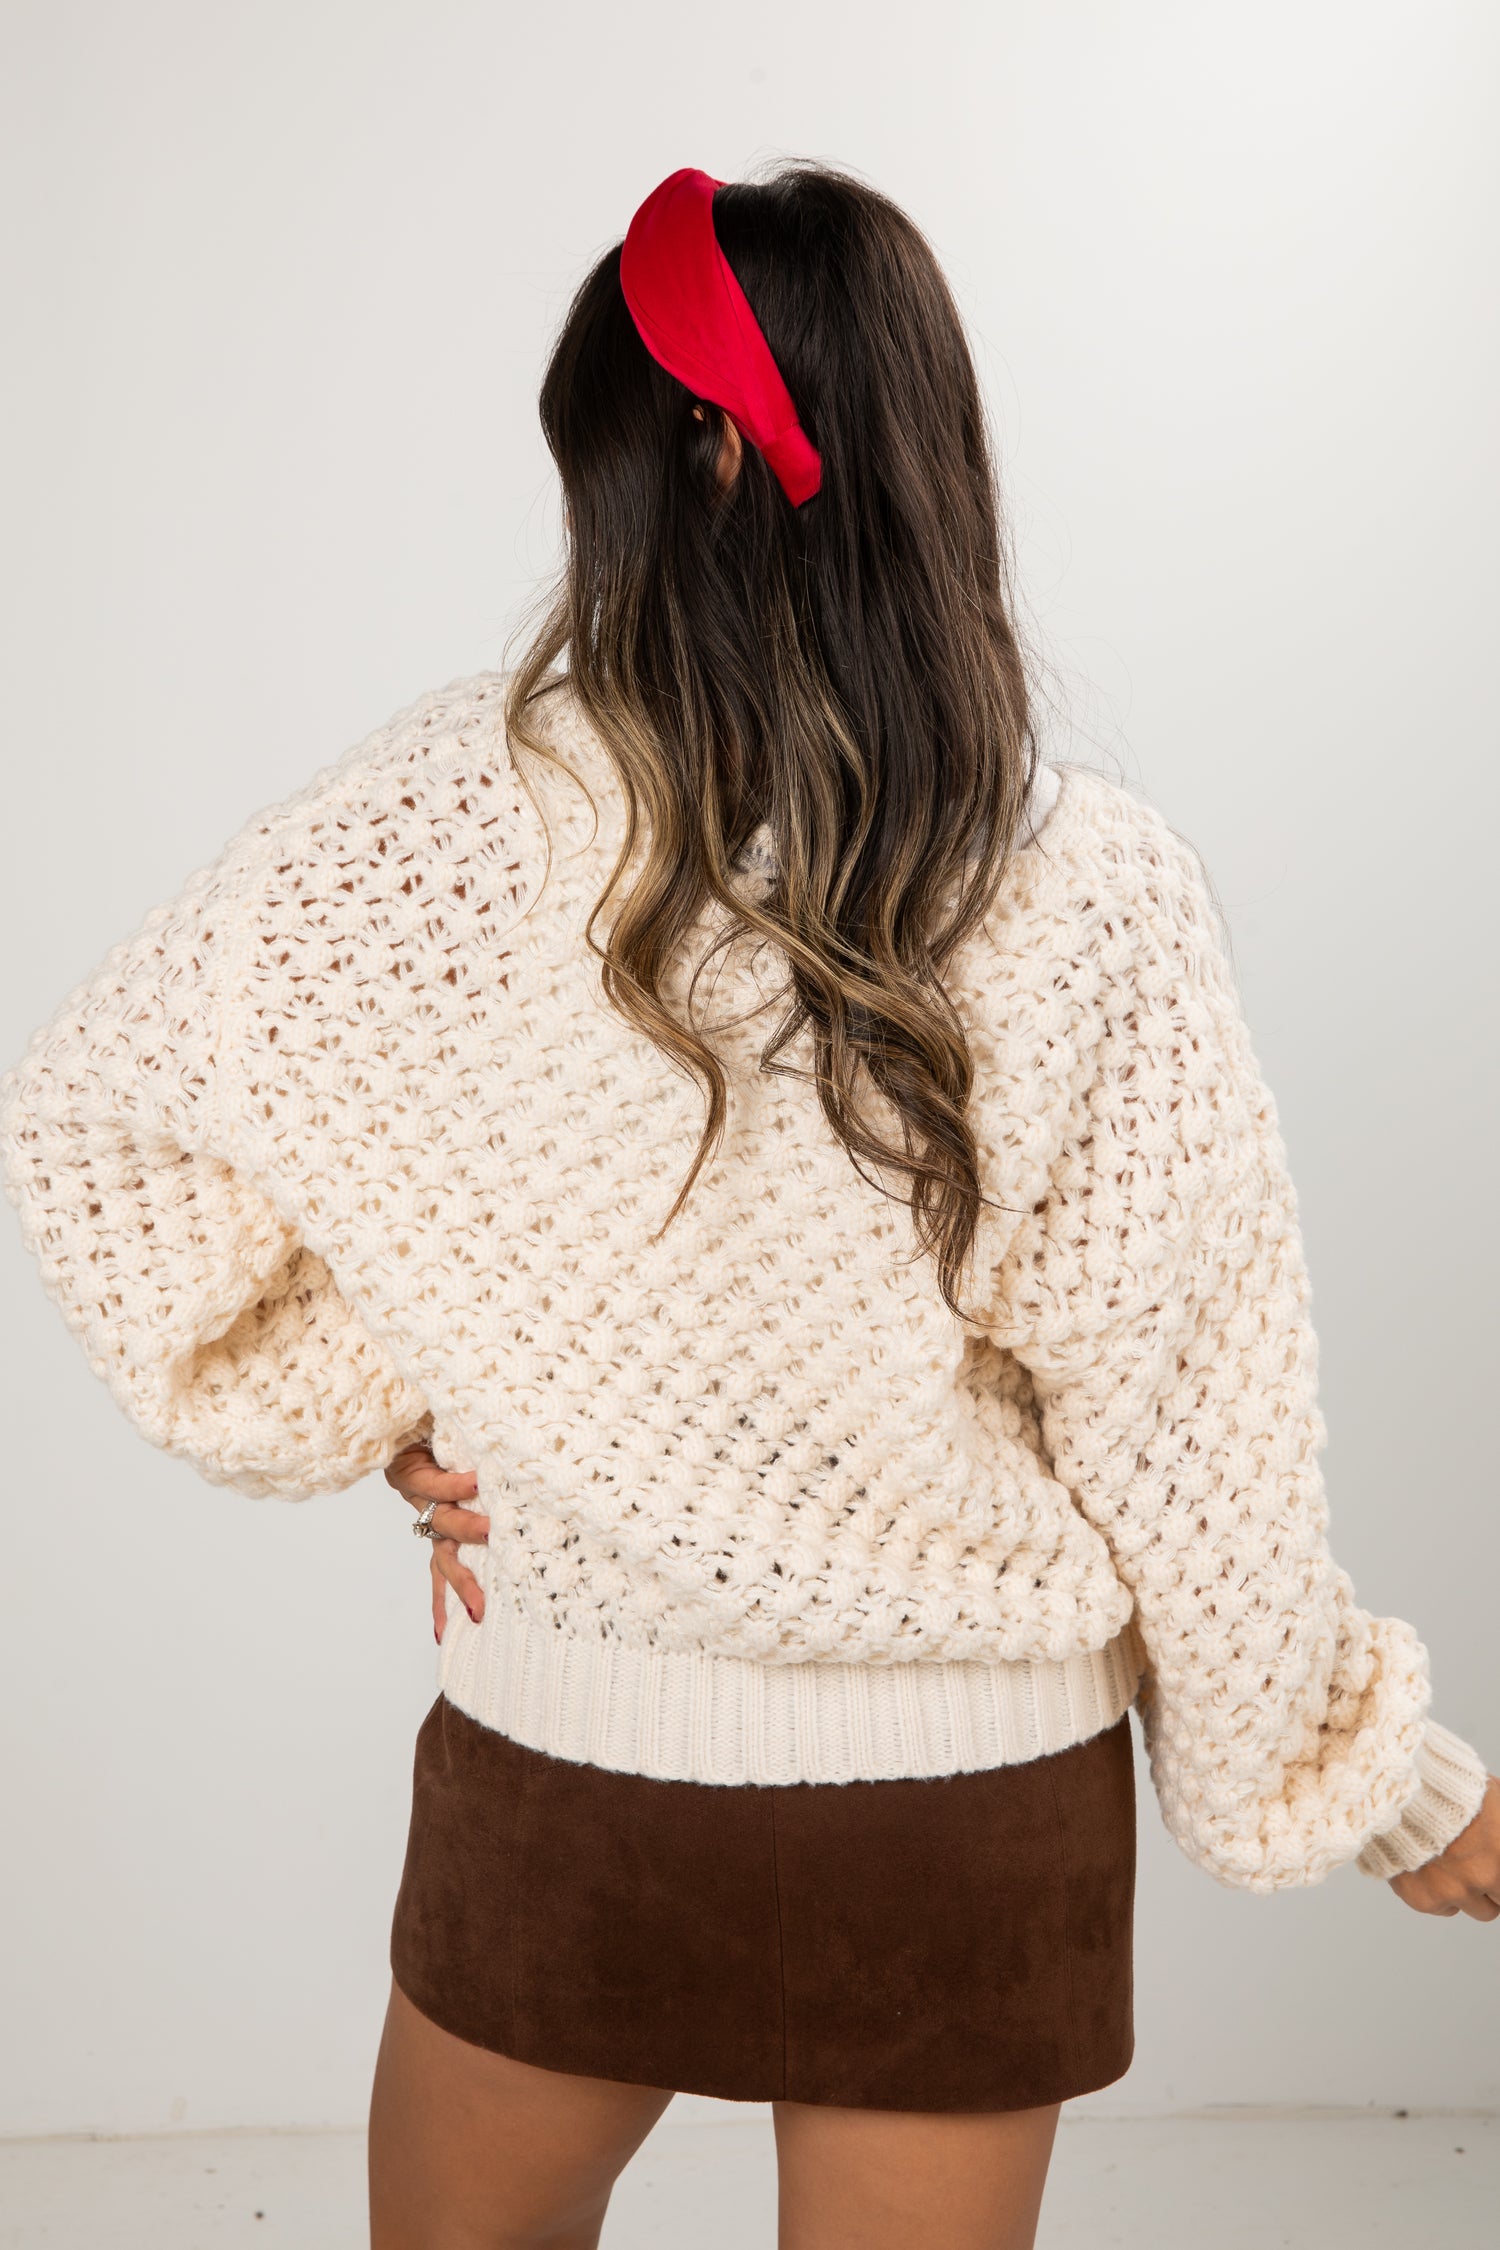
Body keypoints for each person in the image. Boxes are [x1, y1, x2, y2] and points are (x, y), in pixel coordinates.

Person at [2, 160, 1495, 2250]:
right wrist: (1399, 1786)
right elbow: (1188, 1441)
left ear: (689, 450)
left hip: (569, 1772)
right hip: (963, 1828)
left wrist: (406, 1394)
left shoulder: (447, 809)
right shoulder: (1085, 880)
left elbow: (99, 1119)